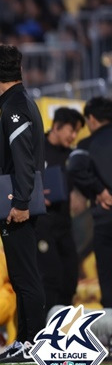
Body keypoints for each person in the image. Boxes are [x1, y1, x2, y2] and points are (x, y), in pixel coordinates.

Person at [0, 44, 46, 364]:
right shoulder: (18, 102)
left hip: (17, 205)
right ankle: (24, 340)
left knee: (26, 276)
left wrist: (20, 202)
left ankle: (34, 343)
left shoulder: (15, 106)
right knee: (20, 275)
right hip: (17, 201)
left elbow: (22, 159)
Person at [36, 107, 84, 313]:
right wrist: (35, 197)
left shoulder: (73, 156)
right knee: (51, 276)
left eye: (77, 132)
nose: (74, 136)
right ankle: (46, 330)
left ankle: (64, 330)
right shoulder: (35, 149)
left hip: (65, 225)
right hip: (42, 224)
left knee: (70, 276)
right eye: (71, 131)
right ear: (56, 127)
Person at [68, 96, 112, 308]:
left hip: (104, 217)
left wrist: (99, 191)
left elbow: (75, 167)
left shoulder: (86, 144)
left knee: (107, 274)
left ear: (92, 119)